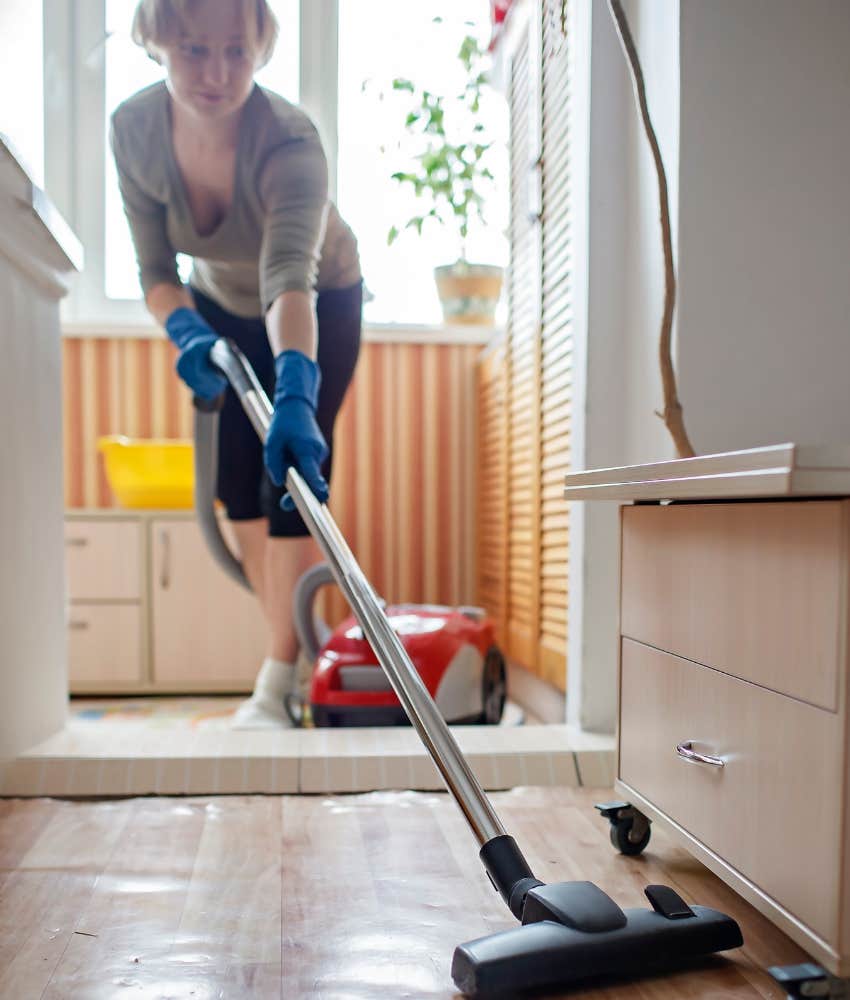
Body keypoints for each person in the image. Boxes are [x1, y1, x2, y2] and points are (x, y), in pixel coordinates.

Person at [112, 0, 362, 728]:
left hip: (318, 300)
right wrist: (185, 330)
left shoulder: (289, 142)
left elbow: (291, 276)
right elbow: (154, 268)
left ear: (261, 47)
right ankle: (290, 664)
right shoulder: (134, 130)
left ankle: (275, 679)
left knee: (286, 478)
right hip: (216, 303)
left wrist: (295, 388)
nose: (217, 74)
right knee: (234, 489)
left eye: (236, 52)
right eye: (193, 50)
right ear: (156, 41)